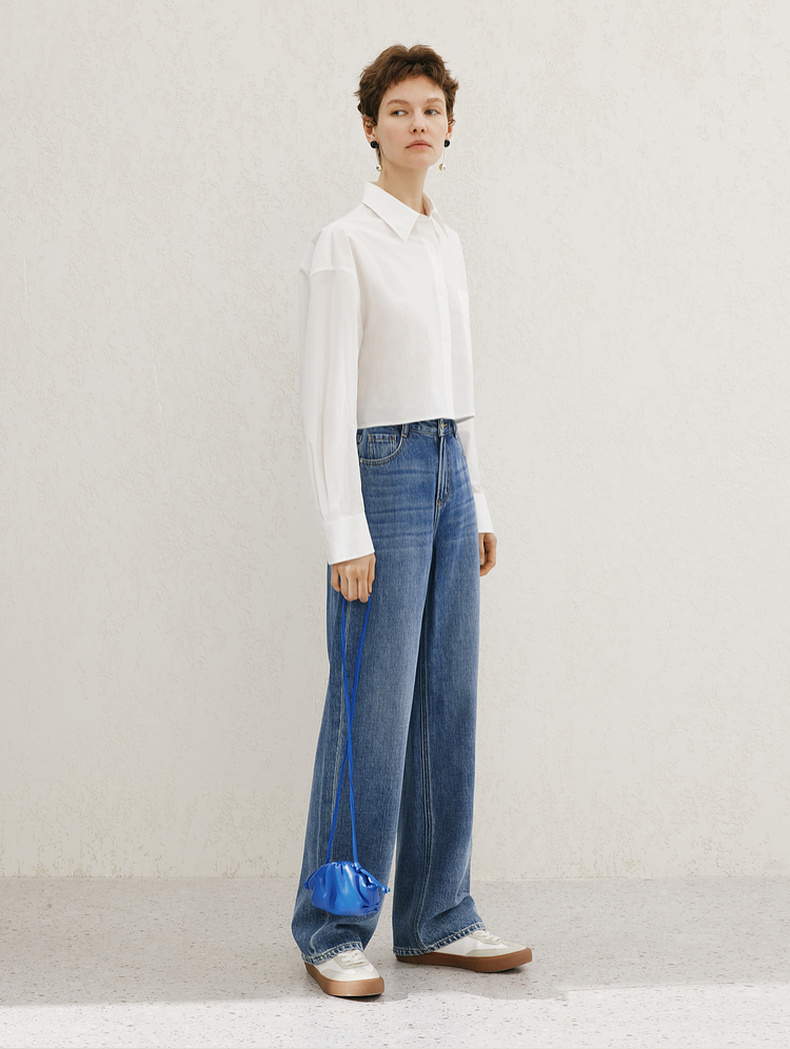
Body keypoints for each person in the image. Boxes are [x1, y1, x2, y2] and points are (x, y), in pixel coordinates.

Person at [291, 43, 532, 998]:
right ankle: (332, 925)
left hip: (446, 471)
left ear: (450, 128)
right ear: (370, 126)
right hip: (381, 472)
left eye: (432, 109)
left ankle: (437, 914)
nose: (417, 123)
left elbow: (460, 383)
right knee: (371, 705)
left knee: (447, 700)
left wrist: (478, 498)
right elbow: (326, 395)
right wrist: (342, 525)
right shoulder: (345, 242)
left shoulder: (444, 242)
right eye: (399, 110)